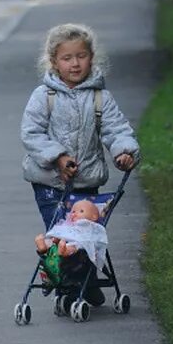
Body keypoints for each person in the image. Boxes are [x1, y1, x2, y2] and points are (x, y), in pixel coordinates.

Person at [20, 23, 140, 231]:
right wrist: (58, 157)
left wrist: (124, 151)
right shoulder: (44, 96)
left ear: (91, 58)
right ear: (54, 62)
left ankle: (86, 264)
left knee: (85, 238)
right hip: (49, 185)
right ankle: (64, 262)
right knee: (63, 238)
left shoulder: (100, 98)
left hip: (87, 184)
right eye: (67, 58)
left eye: (81, 56)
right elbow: (31, 133)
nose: (75, 64)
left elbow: (117, 129)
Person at [34, 199, 109, 305]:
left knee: (73, 246)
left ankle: (60, 250)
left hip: (78, 248)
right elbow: (60, 232)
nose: (75, 213)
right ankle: (44, 247)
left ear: (94, 217)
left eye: (81, 211)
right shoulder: (68, 224)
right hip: (63, 248)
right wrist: (56, 238)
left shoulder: (93, 227)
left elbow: (99, 240)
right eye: (73, 211)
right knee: (55, 242)